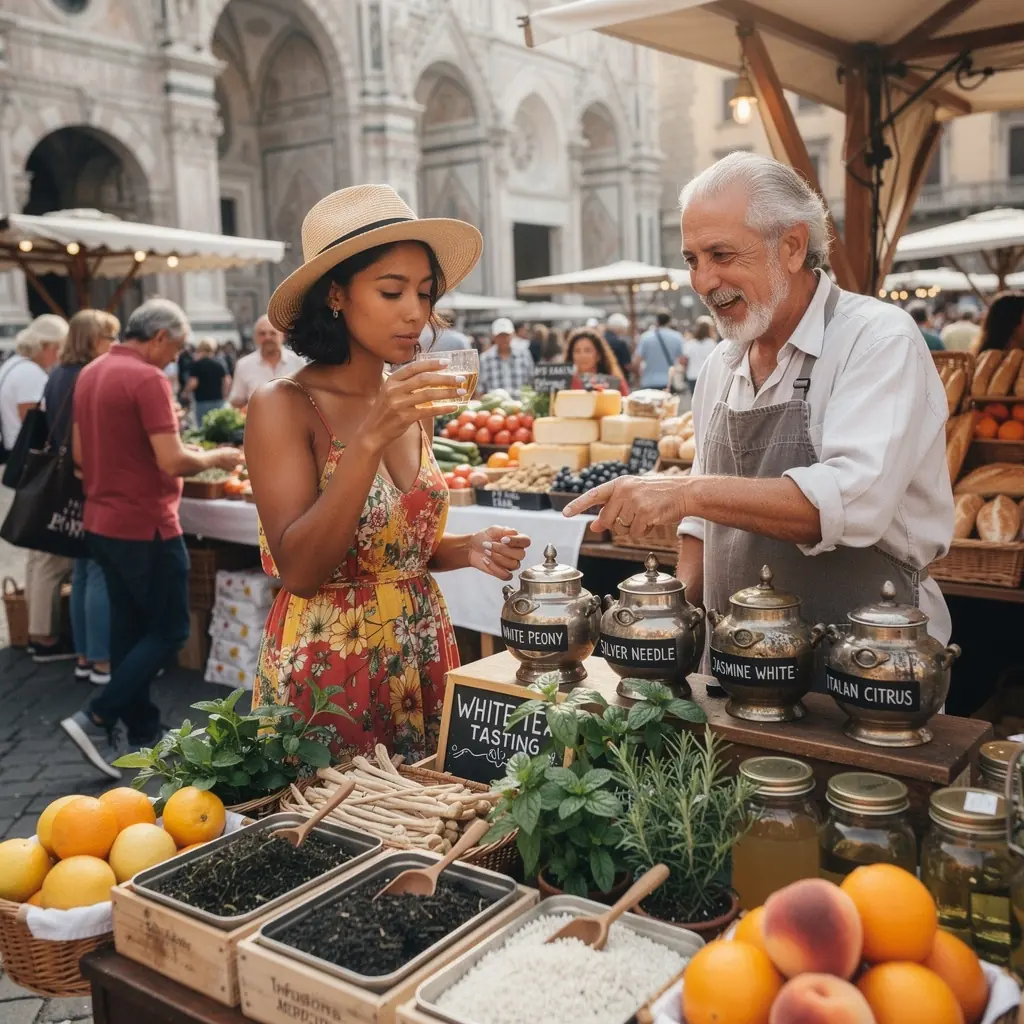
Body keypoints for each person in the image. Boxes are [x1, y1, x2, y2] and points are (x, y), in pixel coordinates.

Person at [564, 151, 954, 647]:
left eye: (721, 255)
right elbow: (700, 526)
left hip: (872, 661)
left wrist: (686, 491)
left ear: (792, 246)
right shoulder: (720, 366)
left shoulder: (877, 339)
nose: (703, 281)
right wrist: (675, 623)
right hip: (735, 660)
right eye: (692, 260)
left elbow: (850, 503)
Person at [245, 184, 531, 761]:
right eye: (392, 290)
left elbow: (390, 546)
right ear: (336, 294)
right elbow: (301, 569)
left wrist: (466, 548)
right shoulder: (283, 405)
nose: (415, 313)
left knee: (429, 808)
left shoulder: (410, 403)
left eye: (424, 293)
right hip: (330, 665)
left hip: (420, 644)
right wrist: (370, 437)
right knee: (340, 814)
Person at [61, 298, 242, 777]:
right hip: (147, 524)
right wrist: (219, 456)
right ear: (160, 336)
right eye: (175, 348)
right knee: (170, 630)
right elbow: (174, 460)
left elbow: (79, 454)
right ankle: (97, 716)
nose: (174, 358)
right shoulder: (147, 378)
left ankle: (143, 729)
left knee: (129, 630)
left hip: (102, 521)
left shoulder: (92, 371)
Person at [41, 309, 119, 683]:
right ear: (91, 339)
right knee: (98, 569)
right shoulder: (88, 375)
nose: (114, 344)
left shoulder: (58, 373)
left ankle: (85, 656)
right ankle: (102, 659)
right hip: (90, 481)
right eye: (109, 337)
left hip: (69, 483)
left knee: (84, 571)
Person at [2, 315, 74, 660]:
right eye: (58, 348)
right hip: (40, 470)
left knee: (37, 553)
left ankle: (35, 628)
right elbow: (38, 421)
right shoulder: (30, 374)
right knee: (48, 557)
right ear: (46, 346)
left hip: (25, 467)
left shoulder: (13, 366)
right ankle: (43, 637)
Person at [228, 314, 305, 408]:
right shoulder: (243, 365)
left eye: (272, 333)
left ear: (282, 336)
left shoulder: (298, 362)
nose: (267, 337)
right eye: (262, 333)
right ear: (255, 337)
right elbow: (236, 400)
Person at [477, 317, 535, 397]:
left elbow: (532, 382)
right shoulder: (485, 358)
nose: (504, 339)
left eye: (507, 335)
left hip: (521, 403)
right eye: (500, 335)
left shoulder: (524, 354)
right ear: (493, 336)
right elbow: (480, 389)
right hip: (495, 404)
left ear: (513, 335)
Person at [565, 327, 630, 394]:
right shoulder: (564, 383)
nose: (582, 355)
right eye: (577, 351)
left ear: (598, 355)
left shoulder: (615, 383)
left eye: (588, 350)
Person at [636, 311, 686, 390]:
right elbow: (682, 360)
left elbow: (637, 361)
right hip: (669, 382)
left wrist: (637, 377)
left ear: (657, 321)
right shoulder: (677, 337)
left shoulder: (645, 337)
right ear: (669, 322)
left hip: (648, 381)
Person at [188, 337, 231, 425]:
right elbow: (227, 381)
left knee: (202, 427)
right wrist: (224, 395)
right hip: (218, 400)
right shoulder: (220, 363)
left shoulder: (197, 364)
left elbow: (193, 383)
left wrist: (186, 392)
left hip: (202, 401)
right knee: (217, 427)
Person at [682, 316, 719, 389]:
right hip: (707, 376)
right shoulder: (712, 344)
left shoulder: (690, 343)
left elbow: (684, 360)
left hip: (692, 375)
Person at [603, 313, 634, 377]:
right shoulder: (620, 343)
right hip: (618, 377)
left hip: (603, 376)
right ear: (621, 328)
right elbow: (627, 365)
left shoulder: (601, 339)